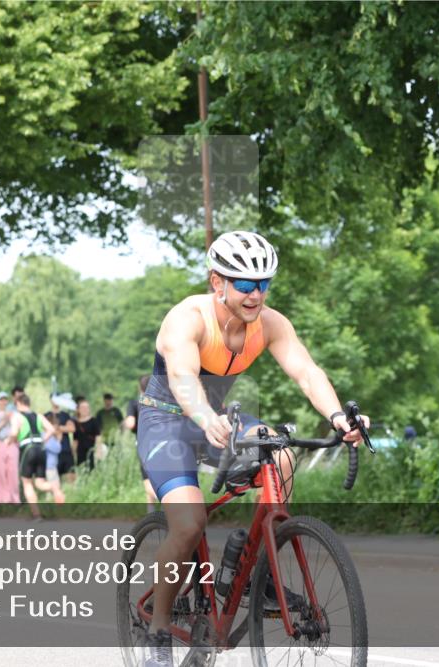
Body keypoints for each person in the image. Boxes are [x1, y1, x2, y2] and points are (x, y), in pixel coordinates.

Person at [136, 231, 370, 666]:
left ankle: (249, 567)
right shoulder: (187, 319)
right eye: (244, 284)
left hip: (219, 416)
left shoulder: (271, 324)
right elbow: (185, 379)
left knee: (281, 455)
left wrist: (339, 417)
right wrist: (205, 419)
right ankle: (158, 631)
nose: (255, 293)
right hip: (166, 418)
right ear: (216, 281)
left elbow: (306, 371)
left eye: (264, 283)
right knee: (187, 525)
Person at [11, 392, 63, 518]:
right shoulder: (38, 415)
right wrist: (43, 440)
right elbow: (51, 429)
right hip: (40, 449)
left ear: (18, 403)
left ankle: (37, 515)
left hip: (27, 450)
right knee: (40, 483)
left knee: (27, 483)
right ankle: (55, 488)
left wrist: (12, 440)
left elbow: (14, 433)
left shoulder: (16, 416)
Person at [124, 375, 157, 511]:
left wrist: (125, 422)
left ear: (140, 387)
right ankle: (151, 514)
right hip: (165, 443)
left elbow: (131, 424)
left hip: (145, 445)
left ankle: (171, 504)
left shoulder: (135, 403)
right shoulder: (160, 402)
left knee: (148, 481)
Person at [0, 391, 19, 504]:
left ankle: (14, 500)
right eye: (1, 400)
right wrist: (4, 420)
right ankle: (2, 500)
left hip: (11, 443)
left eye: (5, 399)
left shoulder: (13, 413)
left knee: (13, 472)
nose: (3, 402)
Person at [46, 395, 77, 484]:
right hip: (53, 452)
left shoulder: (65, 415)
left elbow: (72, 428)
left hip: (65, 450)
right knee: (54, 480)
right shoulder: (47, 415)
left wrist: (58, 428)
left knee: (71, 477)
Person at [72, 397, 101, 472]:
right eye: (83, 407)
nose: (85, 409)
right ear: (78, 409)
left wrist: (98, 450)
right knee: (81, 469)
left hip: (91, 450)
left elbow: (98, 436)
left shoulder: (93, 421)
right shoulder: (76, 423)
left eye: (87, 407)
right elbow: (75, 439)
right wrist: (73, 453)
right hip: (80, 451)